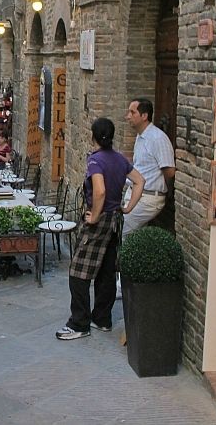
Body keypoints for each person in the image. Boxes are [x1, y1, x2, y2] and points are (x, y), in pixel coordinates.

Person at [56, 118, 145, 340]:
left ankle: (79, 323)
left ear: (93, 136)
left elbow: (100, 191)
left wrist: (94, 216)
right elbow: (140, 181)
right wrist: (127, 207)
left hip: (100, 220)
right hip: (115, 220)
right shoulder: (120, 159)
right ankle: (102, 318)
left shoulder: (95, 161)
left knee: (78, 271)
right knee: (106, 270)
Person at [122, 98, 176, 236]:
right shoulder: (141, 137)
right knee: (128, 234)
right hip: (136, 193)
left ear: (144, 116)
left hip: (148, 196)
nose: (127, 116)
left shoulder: (157, 138)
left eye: (132, 112)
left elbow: (169, 171)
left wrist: (165, 191)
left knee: (123, 233)